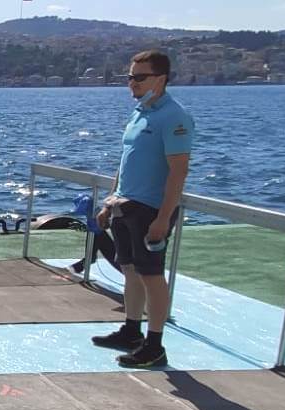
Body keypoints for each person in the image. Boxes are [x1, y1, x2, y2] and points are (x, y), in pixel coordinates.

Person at [91, 49, 195, 368]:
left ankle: (155, 344)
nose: (132, 83)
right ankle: (131, 330)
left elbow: (178, 171)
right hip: (124, 205)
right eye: (130, 77)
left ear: (160, 79)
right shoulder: (140, 113)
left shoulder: (174, 117)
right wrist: (110, 200)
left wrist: (163, 218)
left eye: (140, 77)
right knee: (130, 271)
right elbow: (126, 162)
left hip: (151, 209)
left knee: (152, 275)